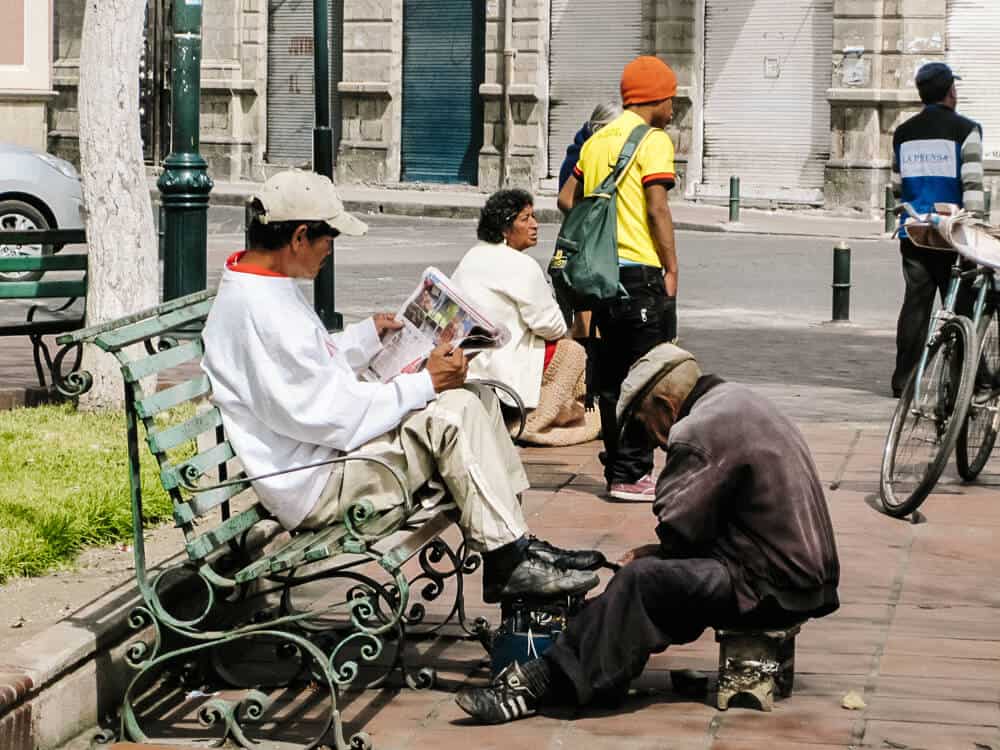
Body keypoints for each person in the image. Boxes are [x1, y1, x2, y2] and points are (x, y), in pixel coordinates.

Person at [200, 169, 604, 604]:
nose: (329, 251)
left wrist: (366, 337)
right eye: (327, 239)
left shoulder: (262, 287)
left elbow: (306, 368)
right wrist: (423, 382)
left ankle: (516, 543)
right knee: (455, 414)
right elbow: (329, 415)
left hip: (326, 457)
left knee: (479, 396)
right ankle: (509, 559)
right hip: (317, 483)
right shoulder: (261, 310)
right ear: (299, 237)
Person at [456, 343, 841, 724]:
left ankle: (540, 683)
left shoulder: (697, 430)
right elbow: (696, 531)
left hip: (773, 585)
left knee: (642, 583)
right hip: (800, 576)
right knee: (649, 582)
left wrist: (651, 556)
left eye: (643, 425)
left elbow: (678, 527)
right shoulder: (735, 400)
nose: (655, 442)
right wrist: (656, 551)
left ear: (664, 406)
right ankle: (588, 658)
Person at [561, 56, 680, 501]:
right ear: (656, 98)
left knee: (611, 378)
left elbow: (567, 198)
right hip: (641, 274)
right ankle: (632, 473)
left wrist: (601, 230)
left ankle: (617, 467)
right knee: (647, 376)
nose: (674, 107)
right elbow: (657, 209)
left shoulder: (596, 141)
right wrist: (671, 267)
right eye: (672, 97)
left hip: (603, 277)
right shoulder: (653, 141)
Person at [452, 189, 600, 446]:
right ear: (504, 229)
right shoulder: (520, 265)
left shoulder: (471, 256)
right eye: (525, 219)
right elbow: (551, 326)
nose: (534, 225)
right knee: (572, 352)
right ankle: (534, 420)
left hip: (469, 368)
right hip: (503, 376)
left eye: (533, 217)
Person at [891, 61, 984, 398]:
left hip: (914, 231)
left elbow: (896, 187)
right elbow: (973, 185)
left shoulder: (903, 133)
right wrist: (976, 227)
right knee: (962, 307)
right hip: (954, 234)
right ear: (950, 92)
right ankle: (964, 379)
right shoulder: (967, 130)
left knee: (915, 305)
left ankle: (904, 379)